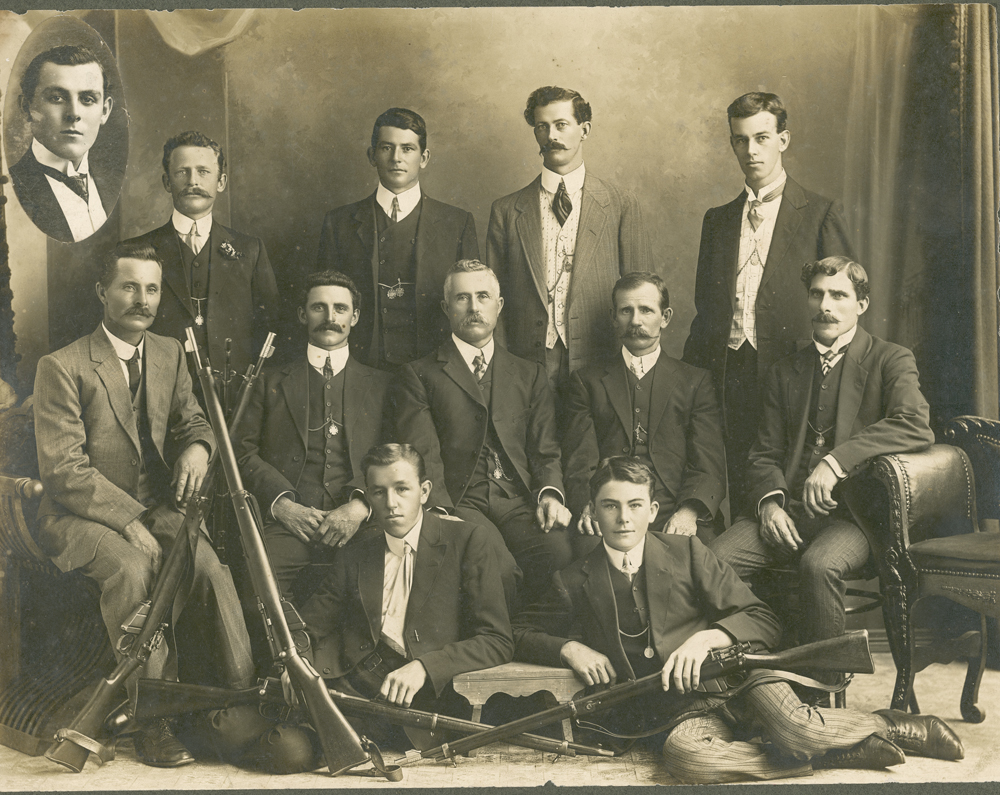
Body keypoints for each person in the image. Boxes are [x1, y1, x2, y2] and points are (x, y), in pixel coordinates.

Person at [514, 457, 964, 784]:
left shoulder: (687, 553)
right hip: (676, 713)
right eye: (609, 506)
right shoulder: (573, 579)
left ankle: (893, 725)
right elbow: (518, 633)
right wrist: (569, 647)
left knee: (800, 725)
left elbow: (760, 617)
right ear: (593, 512)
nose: (623, 518)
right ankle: (822, 753)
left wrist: (707, 638)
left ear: (653, 512)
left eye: (635, 505)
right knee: (688, 761)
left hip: (739, 679)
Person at [32, 241, 255, 767]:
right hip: (78, 516)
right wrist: (129, 522)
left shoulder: (168, 351)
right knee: (134, 571)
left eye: (152, 288)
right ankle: (151, 722)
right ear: (101, 292)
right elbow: (64, 471)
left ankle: (243, 700)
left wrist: (198, 449)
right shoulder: (61, 366)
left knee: (209, 566)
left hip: (154, 508)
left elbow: (194, 420)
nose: (143, 299)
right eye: (129, 286)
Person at [204, 444, 514, 771]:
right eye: (378, 492)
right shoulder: (362, 546)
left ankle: (302, 737)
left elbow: (498, 640)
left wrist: (425, 666)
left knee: (287, 750)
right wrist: (294, 666)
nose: (391, 503)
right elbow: (314, 622)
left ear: (424, 492)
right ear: (368, 495)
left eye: (402, 489)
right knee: (225, 728)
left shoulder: (468, 541)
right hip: (335, 678)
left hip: (402, 704)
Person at [711, 257, 935, 657]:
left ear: (861, 305)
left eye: (838, 295)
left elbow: (914, 423)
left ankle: (828, 685)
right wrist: (770, 505)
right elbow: (763, 452)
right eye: (817, 294)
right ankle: (756, 661)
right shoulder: (786, 370)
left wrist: (835, 462)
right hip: (790, 510)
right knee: (714, 561)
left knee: (819, 566)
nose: (825, 305)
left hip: (856, 518)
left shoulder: (890, 358)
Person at [682, 92, 855, 517]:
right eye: (740, 140)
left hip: (797, 369)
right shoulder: (717, 219)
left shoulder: (820, 212)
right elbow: (707, 309)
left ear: (784, 140)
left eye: (761, 137)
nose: (751, 150)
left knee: (789, 481)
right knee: (741, 481)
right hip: (729, 370)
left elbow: (844, 303)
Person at [393, 259, 574, 601]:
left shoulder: (528, 373)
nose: (474, 308)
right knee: (495, 563)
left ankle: (528, 635)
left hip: (517, 497)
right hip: (461, 499)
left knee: (559, 554)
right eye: (462, 299)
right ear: (447, 308)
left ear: (499, 305)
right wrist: (441, 512)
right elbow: (423, 453)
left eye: (482, 297)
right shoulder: (419, 374)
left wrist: (549, 493)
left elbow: (544, 448)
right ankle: (501, 641)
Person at [485, 86, 651, 395]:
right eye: (542, 126)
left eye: (562, 125)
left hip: (602, 358)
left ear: (584, 129)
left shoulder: (620, 204)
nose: (552, 135)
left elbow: (642, 295)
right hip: (528, 363)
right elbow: (493, 301)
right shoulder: (506, 211)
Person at [234, 270, 389, 601]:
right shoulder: (269, 380)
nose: (330, 318)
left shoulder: (383, 385)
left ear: (355, 316)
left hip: (361, 523)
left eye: (341, 309)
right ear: (303, 315)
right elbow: (241, 452)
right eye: (319, 308)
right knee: (256, 583)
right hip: (290, 524)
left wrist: (361, 504)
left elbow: (396, 458)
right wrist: (283, 506)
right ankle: (289, 654)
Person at [564, 272, 726, 546]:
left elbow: (708, 462)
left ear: (665, 317)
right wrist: (589, 506)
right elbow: (580, 460)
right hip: (611, 508)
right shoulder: (586, 382)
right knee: (589, 558)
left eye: (646, 310)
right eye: (626, 310)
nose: (636, 321)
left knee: (698, 562)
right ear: (614, 318)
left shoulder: (694, 381)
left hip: (674, 506)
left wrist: (687, 513)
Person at [316, 108, 479, 368]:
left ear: (423, 157)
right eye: (386, 148)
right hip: (362, 367)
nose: (396, 158)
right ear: (372, 155)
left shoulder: (456, 223)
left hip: (435, 367)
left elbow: (472, 302)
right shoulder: (339, 223)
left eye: (407, 149)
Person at [122, 130, 278, 390]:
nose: (193, 181)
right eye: (182, 172)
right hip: (159, 393)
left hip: (234, 398)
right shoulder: (134, 250)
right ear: (166, 182)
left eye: (203, 171)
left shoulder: (250, 250)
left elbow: (271, 329)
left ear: (221, 181)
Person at [11, 44, 119, 242]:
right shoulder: (12, 188)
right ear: (27, 108)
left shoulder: (116, 184)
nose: (74, 114)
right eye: (57, 98)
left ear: (105, 111)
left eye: (87, 99)